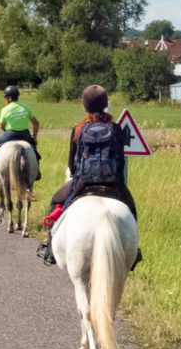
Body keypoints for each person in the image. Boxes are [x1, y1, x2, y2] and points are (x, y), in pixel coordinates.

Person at [36, 84, 141, 270]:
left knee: (55, 201)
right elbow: (121, 161)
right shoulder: (116, 129)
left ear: (84, 106)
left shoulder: (78, 129)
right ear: (105, 103)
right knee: (131, 209)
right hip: (113, 182)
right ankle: (135, 251)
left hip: (83, 182)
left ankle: (51, 250)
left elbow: (72, 164)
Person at [0, 85, 41, 180]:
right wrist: (34, 138)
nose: (4, 99)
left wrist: (7, 132)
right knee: (33, 150)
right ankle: (37, 172)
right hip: (25, 134)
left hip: (10, 134)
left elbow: (2, 126)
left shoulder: (5, 110)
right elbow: (36, 123)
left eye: (5, 97)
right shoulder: (26, 107)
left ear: (9, 98)